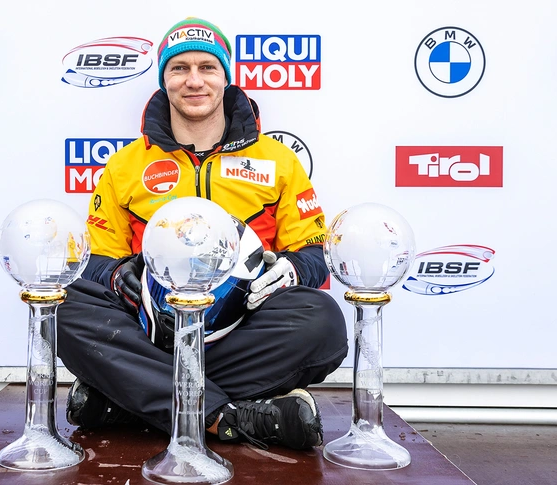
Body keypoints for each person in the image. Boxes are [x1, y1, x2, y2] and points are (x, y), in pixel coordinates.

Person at [57, 17, 348, 450]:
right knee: (65, 306)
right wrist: (118, 276)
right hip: (152, 329)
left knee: (322, 321)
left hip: (241, 327)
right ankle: (224, 417)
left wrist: (291, 270)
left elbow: (314, 252)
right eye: (180, 69)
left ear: (225, 77)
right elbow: (93, 261)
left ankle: (128, 398)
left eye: (207, 67)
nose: (194, 81)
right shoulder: (125, 166)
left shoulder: (277, 160)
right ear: (164, 80)